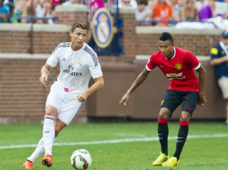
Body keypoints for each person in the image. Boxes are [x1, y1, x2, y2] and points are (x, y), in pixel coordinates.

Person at [22, 23, 104, 169]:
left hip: (76, 95)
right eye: (78, 34)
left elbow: (100, 82)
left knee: (57, 128)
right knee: (49, 112)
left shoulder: (90, 55)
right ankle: (48, 154)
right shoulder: (61, 48)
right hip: (59, 87)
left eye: (84, 35)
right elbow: (46, 67)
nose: (80, 38)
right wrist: (44, 74)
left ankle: (30, 160)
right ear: (71, 34)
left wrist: (86, 92)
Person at [119, 32, 206, 167]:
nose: (163, 50)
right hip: (174, 89)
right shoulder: (156, 58)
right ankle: (164, 154)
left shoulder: (185, 55)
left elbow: (202, 71)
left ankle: (175, 157)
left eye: (165, 47)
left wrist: (201, 93)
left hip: (190, 89)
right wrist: (128, 92)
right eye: (160, 47)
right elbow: (143, 74)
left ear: (172, 45)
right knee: (162, 114)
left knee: (184, 116)